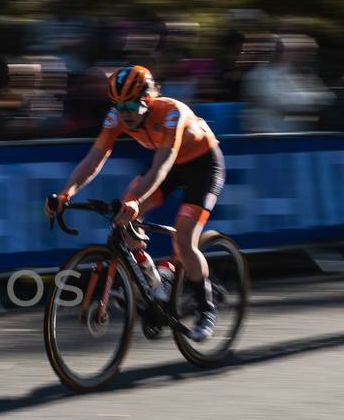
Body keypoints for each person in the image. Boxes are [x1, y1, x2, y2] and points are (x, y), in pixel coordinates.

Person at [46, 64, 225, 341]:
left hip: (202, 166)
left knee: (185, 240)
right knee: (122, 215)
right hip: (168, 167)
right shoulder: (115, 117)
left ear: (148, 100)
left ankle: (206, 308)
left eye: (131, 104)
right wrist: (65, 193)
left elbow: (161, 168)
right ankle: (156, 282)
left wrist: (137, 201)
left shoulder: (170, 113)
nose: (124, 112)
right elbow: (94, 160)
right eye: (118, 105)